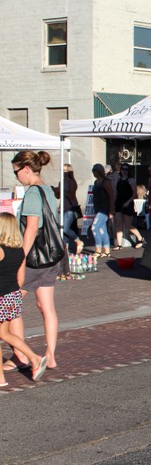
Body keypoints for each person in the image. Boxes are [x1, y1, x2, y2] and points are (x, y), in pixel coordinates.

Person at [3, 150, 60, 372]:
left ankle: (21, 355)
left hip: (34, 260)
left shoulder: (33, 193)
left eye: (16, 172)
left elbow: (32, 228)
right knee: (47, 307)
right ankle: (51, 356)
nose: (16, 176)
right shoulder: (47, 189)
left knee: (11, 305)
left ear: (26, 169)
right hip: (51, 257)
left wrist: (19, 257)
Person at [0, 213, 48, 384]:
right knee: (4, 333)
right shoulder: (19, 252)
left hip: (1, 297)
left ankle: (31, 359)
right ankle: (33, 358)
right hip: (13, 296)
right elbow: (20, 280)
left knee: (3, 334)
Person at [113, 163, 144, 250]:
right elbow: (116, 192)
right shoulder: (118, 180)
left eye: (126, 169)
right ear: (121, 170)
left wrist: (128, 202)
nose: (124, 171)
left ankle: (140, 238)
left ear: (129, 171)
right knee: (118, 223)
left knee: (128, 225)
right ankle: (119, 245)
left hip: (128, 203)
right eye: (123, 169)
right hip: (119, 203)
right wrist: (113, 204)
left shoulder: (131, 180)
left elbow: (134, 193)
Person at [91, 163, 115, 258]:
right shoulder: (96, 182)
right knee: (102, 229)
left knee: (94, 227)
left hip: (104, 209)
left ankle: (98, 250)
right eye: (93, 171)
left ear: (99, 171)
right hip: (98, 208)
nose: (93, 173)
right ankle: (107, 250)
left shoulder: (106, 182)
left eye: (95, 170)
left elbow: (111, 196)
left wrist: (111, 210)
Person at [62, 163, 83, 254]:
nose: (63, 172)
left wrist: (62, 191)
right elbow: (58, 195)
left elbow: (71, 195)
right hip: (63, 207)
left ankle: (78, 240)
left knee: (65, 228)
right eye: (62, 170)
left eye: (65, 170)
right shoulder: (62, 181)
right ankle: (65, 250)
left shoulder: (71, 182)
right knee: (63, 231)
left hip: (70, 207)